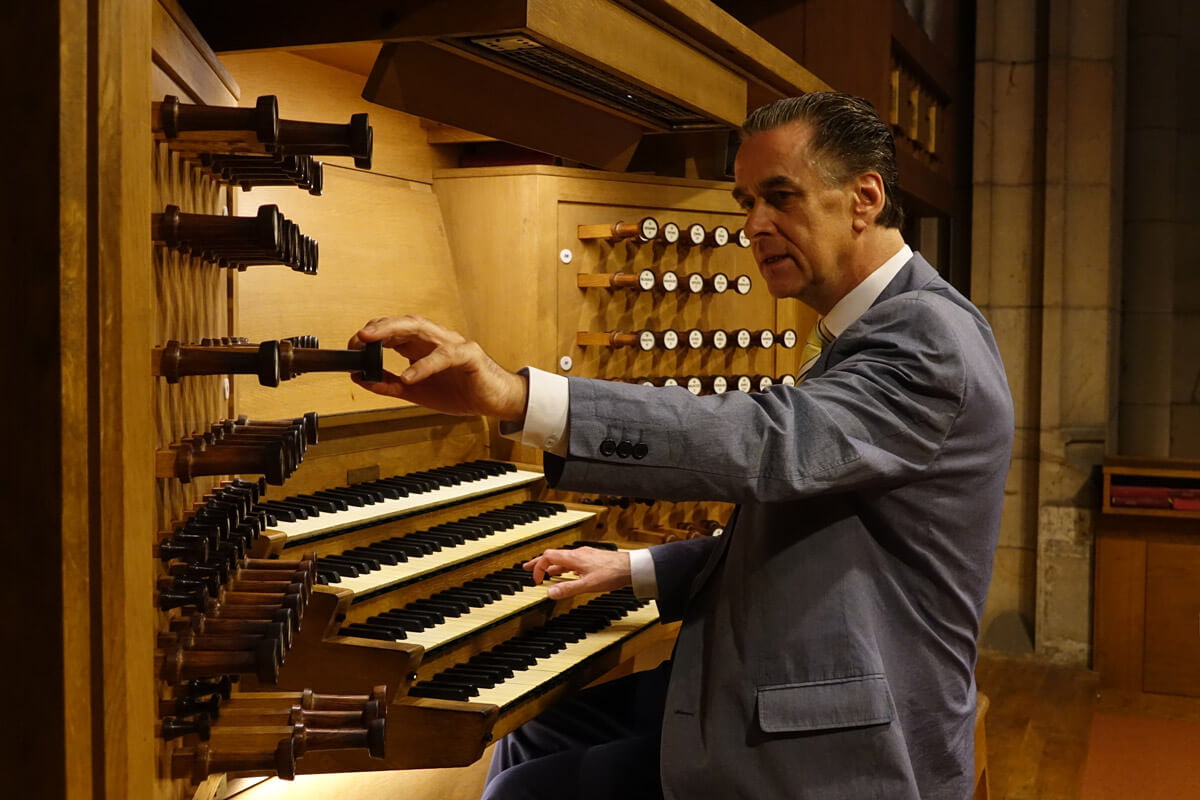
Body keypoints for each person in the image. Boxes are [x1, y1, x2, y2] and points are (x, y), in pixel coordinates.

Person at [348, 92, 1014, 800]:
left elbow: (765, 441)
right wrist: (634, 567)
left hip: (847, 739)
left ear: (864, 198)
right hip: (788, 676)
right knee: (531, 732)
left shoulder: (927, 339)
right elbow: (823, 531)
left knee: (525, 792)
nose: (754, 226)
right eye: (745, 201)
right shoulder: (872, 326)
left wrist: (517, 398)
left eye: (780, 197)